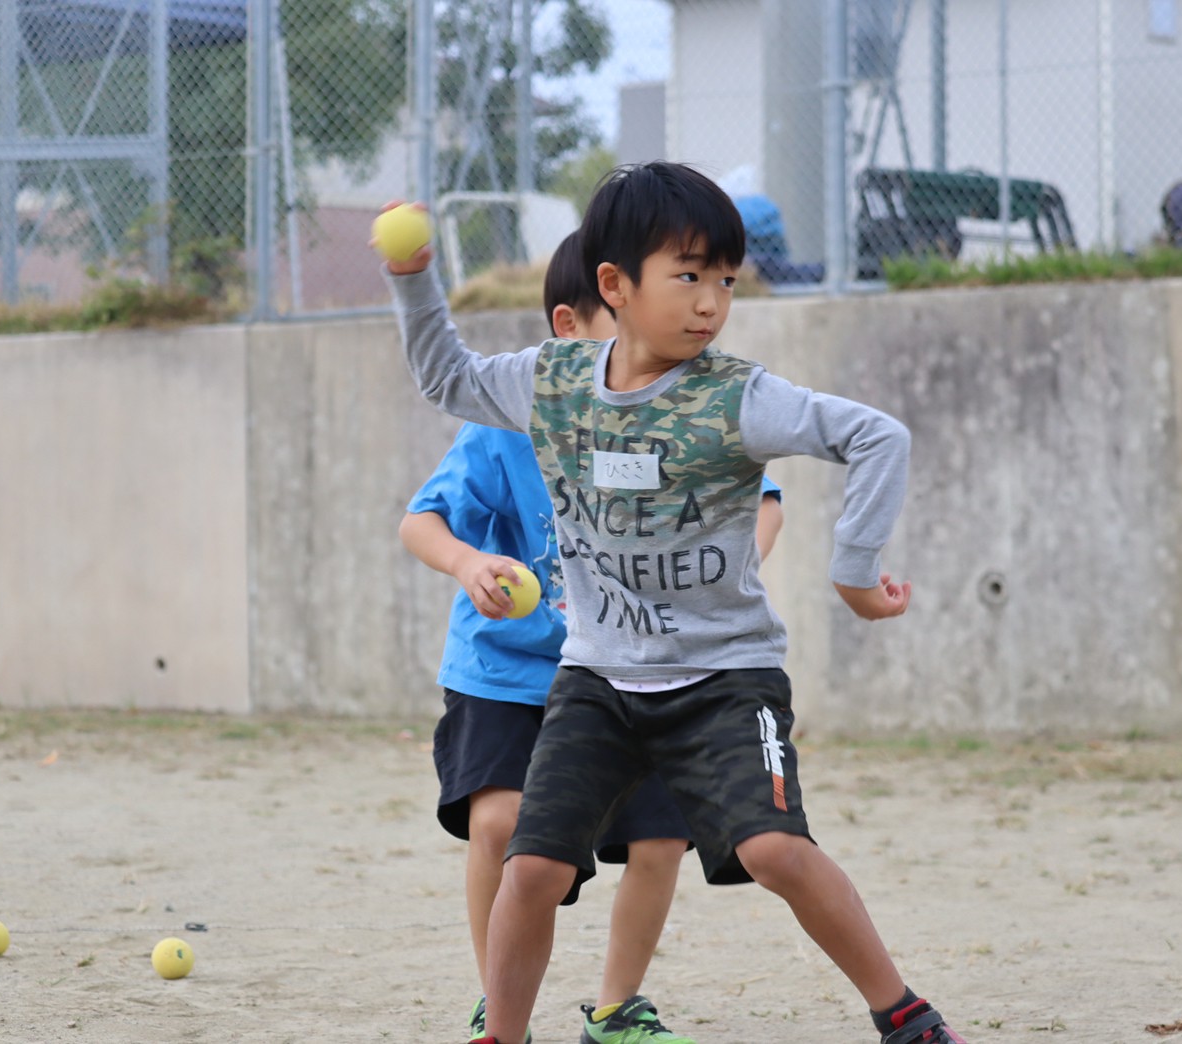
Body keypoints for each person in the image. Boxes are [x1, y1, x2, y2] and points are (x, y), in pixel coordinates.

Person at [378, 161, 965, 1044]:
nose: (709, 302)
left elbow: (876, 435)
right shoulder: (556, 383)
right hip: (598, 681)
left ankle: (904, 1014)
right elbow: (444, 379)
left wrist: (853, 571)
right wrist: (413, 278)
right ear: (614, 284)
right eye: (687, 275)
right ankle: (503, 1034)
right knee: (530, 867)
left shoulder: (737, 398)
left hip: (725, 680)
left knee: (773, 850)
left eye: (725, 280)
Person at [400, 228, 784, 1043]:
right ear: (571, 328)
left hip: (635, 671)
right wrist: (470, 564)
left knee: (662, 836)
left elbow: (770, 499)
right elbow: (422, 521)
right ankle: (496, 1001)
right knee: (499, 825)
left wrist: (720, 572)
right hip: (506, 672)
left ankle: (617, 1007)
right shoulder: (511, 418)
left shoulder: (680, 410)